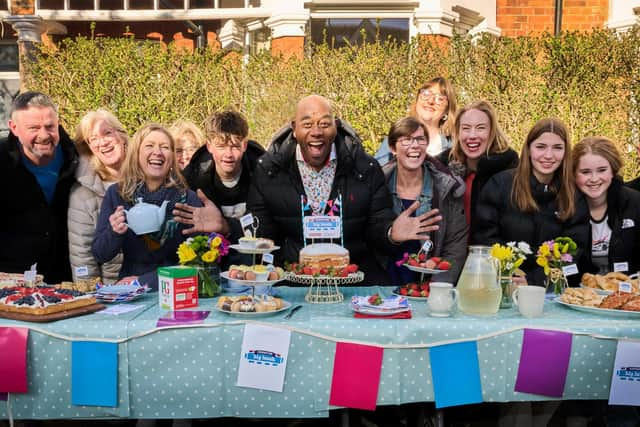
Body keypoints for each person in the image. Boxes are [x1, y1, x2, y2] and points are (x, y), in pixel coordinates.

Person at [247, 95, 441, 284]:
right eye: (307, 124)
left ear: (336, 126)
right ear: (294, 129)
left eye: (324, 124)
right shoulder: (269, 171)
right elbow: (263, 234)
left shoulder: (365, 169)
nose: (316, 132)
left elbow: (377, 223)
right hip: (292, 278)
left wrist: (390, 233)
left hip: (353, 277)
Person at [473, 118, 589, 286]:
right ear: (528, 149)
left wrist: (536, 280)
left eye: (557, 148)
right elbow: (485, 237)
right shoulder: (500, 185)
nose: (548, 155)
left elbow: (574, 249)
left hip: (549, 289)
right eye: (540, 147)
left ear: (565, 152)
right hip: (503, 282)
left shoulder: (573, 195)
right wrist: (509, 273)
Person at [92, 123, 202, 289]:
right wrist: (114, 232)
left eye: (164, 147)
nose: (157, 152)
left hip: (176, 290)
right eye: (149, 146)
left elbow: (201, 260)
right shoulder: (117, 194)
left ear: (172, 157)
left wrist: (146, 281)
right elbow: (101, 254)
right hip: (130, 294)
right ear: (136, 154)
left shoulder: (187, 199)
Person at [0, 91, 78, 284]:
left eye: (50, 126)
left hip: (66, 280)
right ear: (14, 128)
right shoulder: (1, 160)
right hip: (12, 281)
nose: (44, 136)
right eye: (34, 128)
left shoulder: (76, 157)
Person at [382, 117, 468, 284]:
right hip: (384, 286)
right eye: (406, 140)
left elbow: (455, 247)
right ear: (393, 148)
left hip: (428, 288)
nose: (415, 145)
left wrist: (438, 284)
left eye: (420, 139)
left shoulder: (447, 189)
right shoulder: (377, 185)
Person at [180, 110, 265, 243]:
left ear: (245, 145)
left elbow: (269, 227)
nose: (228, 154)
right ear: (209, 146)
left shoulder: (264, 173)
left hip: (254, 255)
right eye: (221, 146)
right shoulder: (192, 178)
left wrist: (226, 226)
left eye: (235, 146)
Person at [437, 100, 518, 236]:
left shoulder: (510, 172)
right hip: (451, 255)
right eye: (466, 128)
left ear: (492, 132)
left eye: (480, 128)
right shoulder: (442, 170)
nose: (472, 136)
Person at [68, 109, 127, 282]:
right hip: (113, 292)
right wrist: (94, 300)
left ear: (122, 135)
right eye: (93, 139)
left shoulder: (148, 177)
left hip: (153, 282)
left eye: (107, 133)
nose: (102, 142)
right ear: (89, 147)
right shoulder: (82, 195)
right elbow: (83, 257)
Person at [573, 136, 640, 275]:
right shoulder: (564, 208)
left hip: (629, 291)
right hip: (579, 293)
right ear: (573, 174)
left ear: (613, 171)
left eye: (602, 170)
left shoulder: (635, 203)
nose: (594, 179)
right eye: (585, 172)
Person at [375, 76, 457, 165]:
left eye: (439, 98)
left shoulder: (455, 148)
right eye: (426, 94)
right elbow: (376, 175)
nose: (430, 101)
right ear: (417, 100)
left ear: (447, 110)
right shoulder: (394, 138)